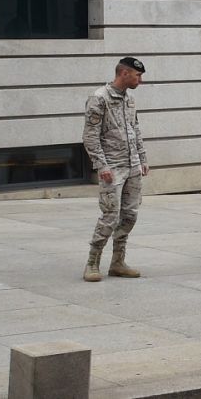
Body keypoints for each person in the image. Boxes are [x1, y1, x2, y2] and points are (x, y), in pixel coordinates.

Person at [82, 57, 150, 282]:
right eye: (137, 76)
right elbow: (90, 136)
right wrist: (101, 164)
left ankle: (118, 262)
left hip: (132, 166)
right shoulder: (99, 98)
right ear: (124, 74)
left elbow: (135, 129)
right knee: (110, 216)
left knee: (130, 215)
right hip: (112, 167)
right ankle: (92, 262)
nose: (139, 80)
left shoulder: (129, 99)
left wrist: (142, 158)